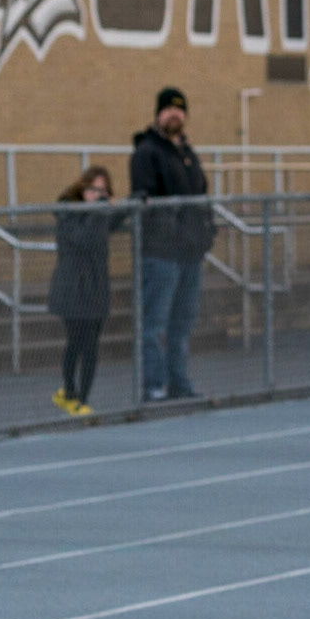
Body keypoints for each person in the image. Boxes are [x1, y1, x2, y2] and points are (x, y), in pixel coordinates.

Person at [130, 86, 214, 400]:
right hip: (160, 254)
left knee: (182, 324)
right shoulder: (147, 152)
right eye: (168, 109)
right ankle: (154, 386)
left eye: (179, 109)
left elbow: (201, 196)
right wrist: (168, 228)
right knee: (154, 325)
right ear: (158, 114)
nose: (174, 114)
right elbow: (145, 198)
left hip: (190, 253)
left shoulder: (188, 154)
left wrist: (207, 232)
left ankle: (179, 383)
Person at [48, 165, 123, 416]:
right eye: (93, 190)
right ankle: (70, 391)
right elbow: (82, 238)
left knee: (92, 346)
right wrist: (99, 211)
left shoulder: (99, 216)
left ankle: (83, 398)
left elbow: (113, 222)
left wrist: (130, 203)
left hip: (96, 286)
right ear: (82, 189)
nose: (97, 195)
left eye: (103, 191)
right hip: (72, 287)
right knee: (77, 342)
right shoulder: (69, 212)